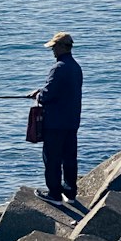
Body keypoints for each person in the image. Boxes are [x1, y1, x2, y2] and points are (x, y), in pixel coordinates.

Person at [28, 32, 83, 206]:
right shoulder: (76, 67)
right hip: (72, 121)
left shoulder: (58, 67)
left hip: (55, 122)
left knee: (52, 158)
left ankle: (54, 194)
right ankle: (70, 193)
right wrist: (42, 91)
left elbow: (48, 94)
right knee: (69, 157)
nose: (52, 50)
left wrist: (38, 94)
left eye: (53, 47)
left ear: (60, 47)